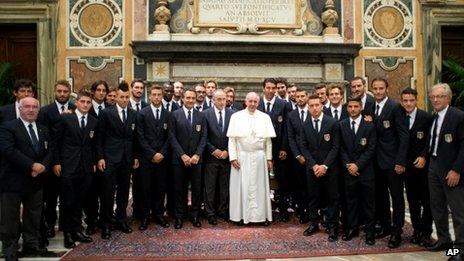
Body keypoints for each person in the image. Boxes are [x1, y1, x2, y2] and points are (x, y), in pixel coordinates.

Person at [0, 97, 52, 260]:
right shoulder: (8, 127)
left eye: (34, 107)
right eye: (27, 107)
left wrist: (43, 166)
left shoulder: (43, 129)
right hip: (12, 181)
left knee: (33, 215)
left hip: (35, 182)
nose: (31, 110)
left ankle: (31, 245)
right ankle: (10, 249)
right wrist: (32, 165)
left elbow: (50, 150)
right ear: (20, 109)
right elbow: (9, 151)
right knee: (9, 217)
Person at [51, 90, 96, 248]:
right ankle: (68, 234)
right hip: (68, 166)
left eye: (88, 102)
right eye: (82, 101)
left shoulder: (93, 121)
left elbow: (94, 145)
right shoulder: (66, 119)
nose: (85, 105)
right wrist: (56, 162)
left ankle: (77, 230)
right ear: (76, 102)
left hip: (86, 167)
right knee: (67, 201)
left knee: (80, 201)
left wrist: (94, 162)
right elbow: (55, 142)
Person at [369, 78, 409, 249]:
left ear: (387, 89)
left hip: (393, 162)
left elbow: (404, 136)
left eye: (381, 88)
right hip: (375, 162)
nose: (378, 91)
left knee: (397, 197)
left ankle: (396, 231)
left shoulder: (395, 107)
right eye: (375, 89)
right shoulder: (369, 107)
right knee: (380, 197)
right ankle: (385, 226)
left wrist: (400, 161)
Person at [426, 83, 464, 261]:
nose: (435, 100)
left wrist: (456, 170)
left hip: (451, 171)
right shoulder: (434, 117)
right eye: (433, 96)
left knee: (457, 211)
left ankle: (459, 250)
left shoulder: (458, 116)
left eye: (439, 96)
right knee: (437, 207)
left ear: (448, 98)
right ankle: (444, 240)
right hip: (434, 166)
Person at [97, 81, 139, 239]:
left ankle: (121, 219)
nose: (124, 99)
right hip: (110, 159)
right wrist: (100, 157)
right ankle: (106, 224)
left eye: (127, 97)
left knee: (123, 192)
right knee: (107, 192)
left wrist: (135, 156)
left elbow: (135, 139)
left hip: (127, 159)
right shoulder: (106, 113)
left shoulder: (133, 114)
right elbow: (99, 138)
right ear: (116, 97)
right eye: (121, 97)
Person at [227, 92, 275, 225]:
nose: (252, 104)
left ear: (258, 103)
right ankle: (241, 216)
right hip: (242, 157)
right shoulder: (236, 117)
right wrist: (233, 157)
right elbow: (232, 140)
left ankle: (260, 217)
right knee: (241, 187)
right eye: (250, 101)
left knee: (260, 188)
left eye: (255, 101)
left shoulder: (265, 117)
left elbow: (268, 141)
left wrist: (269, 158)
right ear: (246, 102)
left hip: (260, 157)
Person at [298, 94, 340, 242]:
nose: (315, 108)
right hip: (312, 168)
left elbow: (336, 147)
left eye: (317, 105)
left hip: (330, 168)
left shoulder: (332, 123)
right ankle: (314, 223)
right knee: (313, 197)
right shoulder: (305, 125)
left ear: (322, 106)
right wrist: (314, 165)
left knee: (332, 198)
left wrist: (325, 166)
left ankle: (333, 226)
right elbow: (303, 146)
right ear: (308, 107)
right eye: (312, 106)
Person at [37, 80, 75, 240]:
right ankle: (50, 226)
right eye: (59, 91)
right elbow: (45, 136)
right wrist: (53, 162)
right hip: (52, 160)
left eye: (65, 91)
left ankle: (67, 227)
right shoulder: (46, 111)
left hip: (71, 160)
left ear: (69, 92)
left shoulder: (76, 109)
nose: (62, 94)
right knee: (51, 198)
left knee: (68, 197)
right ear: (55, 92)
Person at [339, 96, 376, 245]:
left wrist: (358, 165)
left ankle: (369, 232)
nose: (353, 109)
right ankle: (352, 228)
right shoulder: (341, 125)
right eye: (350, 107)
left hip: (365, 171)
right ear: (347, 108)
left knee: (368, 203)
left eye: (355, 106)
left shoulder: (369, 126)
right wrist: (349, 165)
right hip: (349, 172)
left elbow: (371, 148)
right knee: (351, 202)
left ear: (361, 108)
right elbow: (340, 148)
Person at [168, 89, 207, 229]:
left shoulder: (201, 116)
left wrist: (197, 154)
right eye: (188, 98)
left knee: (196, 189)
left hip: (196, 160)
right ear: (183, 99)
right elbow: (171, 137)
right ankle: (179, 216)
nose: (190, 100)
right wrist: (182, 155)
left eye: (193, 98)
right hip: (179, 160)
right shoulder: (174, 115)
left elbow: (204, 137)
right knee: (179, 189)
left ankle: (195, 215)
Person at [400, 87, 434, 247]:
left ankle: (426, 232)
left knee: (427, 201)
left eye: (411, 100)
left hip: (423, 166)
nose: (408, 103)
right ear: (401, 101)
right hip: (406, 167)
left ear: (416, 100)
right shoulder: (399, 116)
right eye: (405, 100)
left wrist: (424, 156)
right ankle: (416, 229)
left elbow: (430, 140)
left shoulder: (426, 117)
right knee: (412, 201)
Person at [136, 85, 171, 230]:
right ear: (150, 96)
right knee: (146, 188)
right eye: (154, 95)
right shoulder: (142, 114)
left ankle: (159, 215)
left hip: (162, 159)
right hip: (147, 159)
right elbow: (140, 136)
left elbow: (170, 137)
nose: (156, 97)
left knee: (160, 188)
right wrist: (152, 154)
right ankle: (145, 217)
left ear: (162, 96)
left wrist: (161, 153)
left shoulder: (168, 115)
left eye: (159, 95)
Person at [257, 78, 289, 222]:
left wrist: (284, 147)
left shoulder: (284, 105)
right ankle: (261, 209)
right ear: (263, 88)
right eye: (268, 88)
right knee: (260, 178)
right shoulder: (256, 103)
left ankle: (282, 208)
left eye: (273, 88)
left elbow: (287, 129)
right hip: (259, 148)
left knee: (282, 179)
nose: (270, 91)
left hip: (278, 148)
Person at [203, 89, 234, 224]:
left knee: (224, 186)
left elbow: (234, 136)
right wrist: (214, 150)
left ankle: (222, 210)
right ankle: (210, 213)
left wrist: (227, 151)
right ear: (213, 100)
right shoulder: (205, 114)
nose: (222, 102)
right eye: (219, 99)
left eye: (224, 99)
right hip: (211, 157)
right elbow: (203, 136)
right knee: (210, 187)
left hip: (226, 157)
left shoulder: (233, 115)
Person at [286, 87, 310, 223]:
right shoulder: (291, 115)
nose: (300, 99)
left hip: (312, 157)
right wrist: (298, 155)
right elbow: (291, 137)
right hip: (297, 158)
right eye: (298, 97)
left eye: (302, 96)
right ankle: (302, 212)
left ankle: (314, 211)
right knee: (299, 186)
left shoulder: (314, 111)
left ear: (307, 97)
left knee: (312, 187)